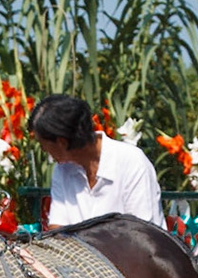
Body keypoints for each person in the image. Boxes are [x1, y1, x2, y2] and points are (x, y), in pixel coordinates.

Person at [29, 94, 165, 228]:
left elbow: (142, 233)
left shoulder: (132, 162)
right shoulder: (62, 170)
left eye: (42, 143)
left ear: (61, 143)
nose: (43, 149)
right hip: (79, 250)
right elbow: (57, 227)